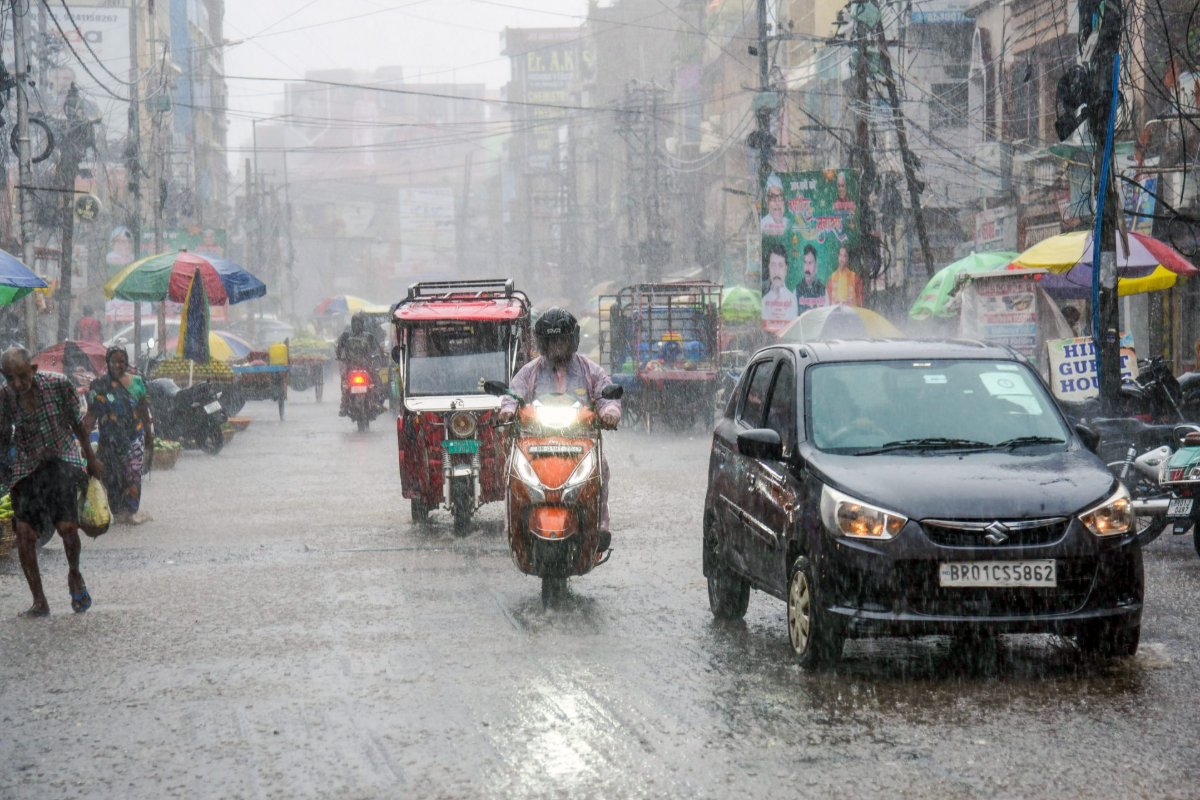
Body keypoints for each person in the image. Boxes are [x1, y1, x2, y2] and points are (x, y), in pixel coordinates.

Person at [498, 308, 620, 549]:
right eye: (551, 341)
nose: (557, 346)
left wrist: (610, 413)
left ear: (572, 341)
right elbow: (512, 394)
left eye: (562, 340)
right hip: (535, 440)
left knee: (602, 468)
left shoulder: (590, 370)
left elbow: (608, 397)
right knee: (510, 468)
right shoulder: (529, 371)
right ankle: (513, 528)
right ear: (543, 343)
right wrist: (508, 410)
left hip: (581, 440)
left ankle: (600, 526)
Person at [0, 346, 103, 617]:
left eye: (22, 376)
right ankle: (39, 600)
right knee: (24, 534)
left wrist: (91, 458)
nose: (17, 384)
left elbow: (77, 425)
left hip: (60, 459)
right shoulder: (5, 397)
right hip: (26, 465)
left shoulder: (58, 385)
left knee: (67, 528)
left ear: (33, 370)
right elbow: (3, 435)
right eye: (10, 378)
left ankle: (74, 573)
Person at [83, 347, 153, 525]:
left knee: (133, 476)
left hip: (133, 439)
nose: (117, 365)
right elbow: (91, 415)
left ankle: (130, 513)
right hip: (109, 442)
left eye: (121, 361)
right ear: (107, 362)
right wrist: (84, 441)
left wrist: (149, 438)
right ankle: (117, 512)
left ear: (127, 362)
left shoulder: (137, 383)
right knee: (111, 478)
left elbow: (144, 411)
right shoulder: (99, 385)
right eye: (113, 361)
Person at [336, 312, 384, 415]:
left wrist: (340, 357)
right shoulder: (368, 336)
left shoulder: (346, 336)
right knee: (374, 381)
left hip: (354, 366)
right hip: (364, 365)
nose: (357, 325)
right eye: (356, 323)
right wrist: (380, 357)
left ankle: (345, 404)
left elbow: (339, 349)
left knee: (346, 382)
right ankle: (375, 402)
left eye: (358, 323)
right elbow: (378, 349)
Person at [761, 244, 799, 331]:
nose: (777, 272)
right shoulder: (764, 301)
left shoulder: (792, 299)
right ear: (769, 268)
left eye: (780, 265)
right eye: (773, 265)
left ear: (786, 269)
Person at [795, 244, 826, 309]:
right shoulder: (796, 291)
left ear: (816, 266)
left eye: (810, 263)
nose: (807, 268)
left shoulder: (823, 291)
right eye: (805, 263)